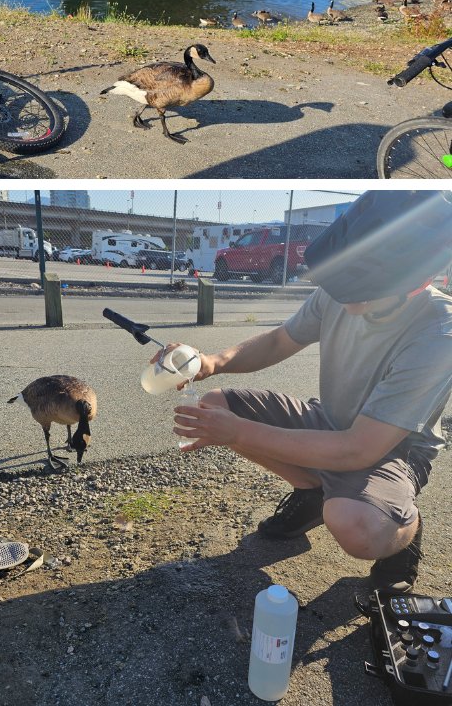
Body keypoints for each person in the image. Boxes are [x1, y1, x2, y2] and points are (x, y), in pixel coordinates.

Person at [172, 190, 452, 592]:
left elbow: (360, 449)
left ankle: (403, 531)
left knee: (357, 526)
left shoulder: (438, 330)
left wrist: (235, 433)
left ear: (412, 282)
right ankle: (312, 491)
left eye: (357, 289)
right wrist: (213, 362)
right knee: (217, 404)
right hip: (331, 421)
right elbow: (280, 340)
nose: (341, 296)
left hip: (395, 449)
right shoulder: (341, 292)